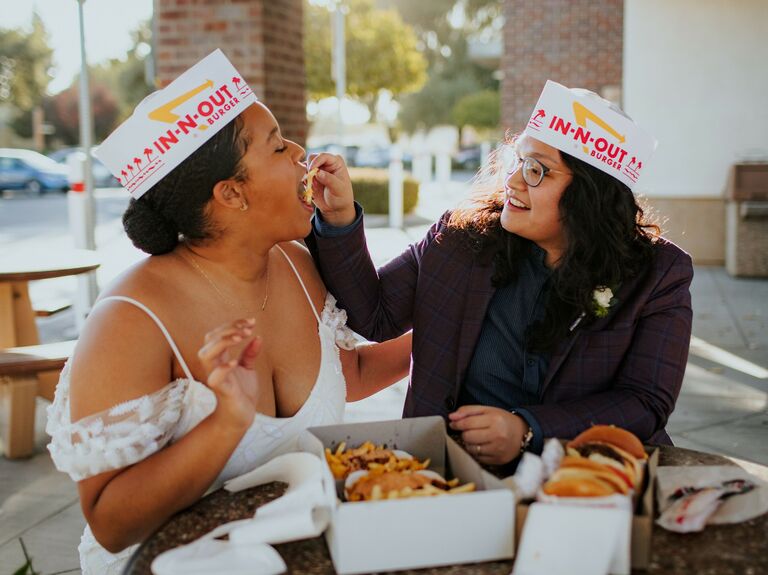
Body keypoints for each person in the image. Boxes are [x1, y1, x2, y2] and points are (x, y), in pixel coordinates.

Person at [45, 51, 410, 575]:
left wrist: (453, 326)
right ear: (232, 193)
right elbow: (111, 522)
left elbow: (348, 374)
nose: (301, 153)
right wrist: (224, 423)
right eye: (279, 145)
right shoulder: (128, 318)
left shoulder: (296, 263)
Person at [306, 80, 693, 470]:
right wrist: (339, 219)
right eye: (518, 162)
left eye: (537, 171)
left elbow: (644, 402)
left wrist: (528, 429)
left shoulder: (659, 275)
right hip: (455, 474)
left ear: (591, 197)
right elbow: (375, 315)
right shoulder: (459, 240)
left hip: (588, 480)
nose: (512, 181)